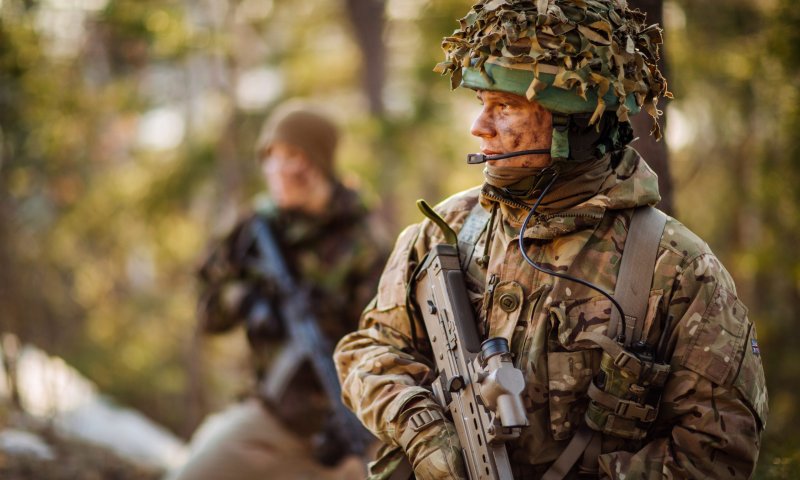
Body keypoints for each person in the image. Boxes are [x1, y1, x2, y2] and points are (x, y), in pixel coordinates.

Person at [334, 1, 768, 479]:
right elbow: (368, 351)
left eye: (506, 107)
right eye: (482, 104)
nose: (479, 127)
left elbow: (717, 453)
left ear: (573, 127)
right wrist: (421, 428)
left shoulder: (678, 269)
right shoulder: (448, 229)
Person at [169, 101, 388, 480]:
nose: (279, 169)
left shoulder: (364, 243)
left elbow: (391, 343)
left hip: (353, 421)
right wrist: (249, 300)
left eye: (293, 156)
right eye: (271, 157)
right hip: (276, 418)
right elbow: (207, 311)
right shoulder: (254, 230)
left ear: (319, 162)